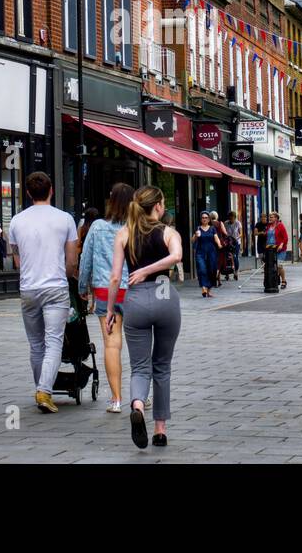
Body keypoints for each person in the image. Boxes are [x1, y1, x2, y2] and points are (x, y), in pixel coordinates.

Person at [106, 185, 184, 449]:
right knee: (162, 365)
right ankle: (160, 430)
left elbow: (115, 277)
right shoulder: (168, 232)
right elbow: (176, 256)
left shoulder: (124, 233)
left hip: (136, 300)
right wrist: (151, 270)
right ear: (159, 206)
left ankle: (137, 406)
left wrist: (110, 309)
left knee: (139, 366)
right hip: (165, 296)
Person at [8, 172, 79, 413]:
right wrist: (66, 276)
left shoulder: (16, 221)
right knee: (53, 341)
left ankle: (41, 389)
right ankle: (44, 391)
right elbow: (72, 260)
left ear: (28, 193)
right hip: (56, 286)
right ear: (51, 191)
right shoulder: (65, 219)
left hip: (29, 288)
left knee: (36, 344)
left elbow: (17, 259)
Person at [78, 183, 132, 413]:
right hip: (134, 290)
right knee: (139, 344)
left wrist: (82, 286)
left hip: (105, 290)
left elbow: (86, 259)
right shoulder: (136, 227)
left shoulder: (98, 226)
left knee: (111, 344)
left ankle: (116, 399)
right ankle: (142, 396)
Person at [191, 211, 220, 298]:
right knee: (202, 269)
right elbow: (192, 240)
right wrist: (196, 236)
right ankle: (204, 287)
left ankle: (209, 290)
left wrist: (219, 244)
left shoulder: (212, 228)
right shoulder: (198, 228)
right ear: (201, 219)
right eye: (203, 218)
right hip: (200, 252)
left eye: (206, 218)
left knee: (212, 270)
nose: (204, 219)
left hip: (211, 252)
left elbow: (216, 238)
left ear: (209, 219)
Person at [270, 212, 290, 288]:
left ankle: (283, 281)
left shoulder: (280, 225)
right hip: (271, 249)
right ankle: (276, 277)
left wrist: (281, 245)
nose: (270, 218)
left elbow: (285, 237)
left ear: (276, 218)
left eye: (272, 217)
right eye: (270, 217)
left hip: (281, 250)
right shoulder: (269, 226)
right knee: (273, 266)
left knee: (279, 266)